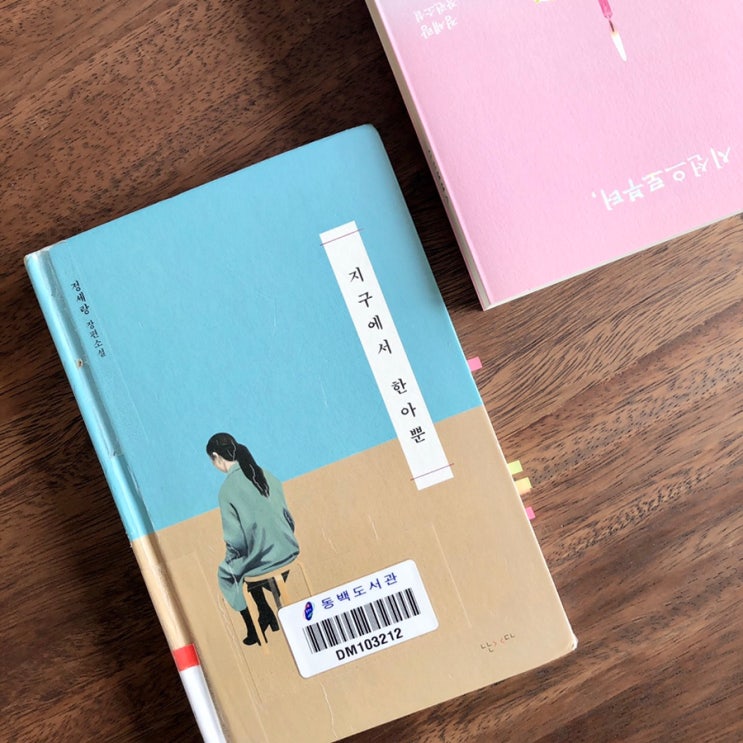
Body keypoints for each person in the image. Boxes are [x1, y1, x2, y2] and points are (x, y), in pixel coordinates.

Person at [206, 432, 299, 646]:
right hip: (289, 548)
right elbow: (288, 518)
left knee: (228, 572)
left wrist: (232, 558)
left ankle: (254, 625)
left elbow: (236, 540)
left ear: (216, 457)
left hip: (265, 561)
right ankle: (265, 612)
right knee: (248, 564)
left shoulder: (227, 490)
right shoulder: (266, 474)